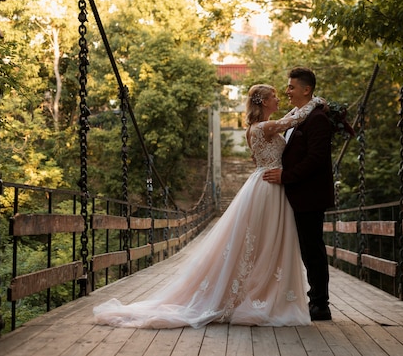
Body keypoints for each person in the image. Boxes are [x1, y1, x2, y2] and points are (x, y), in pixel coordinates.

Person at [93, 84, 325, 329]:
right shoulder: (266, 127)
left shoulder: (254, 129)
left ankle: (260, 291)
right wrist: (317, 101)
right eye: (274, 97)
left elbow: (283, 124)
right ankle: (259, 294)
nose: (279, 99)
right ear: (264, 102)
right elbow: (296, 117)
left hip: (264, 183)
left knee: (259, 242)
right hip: (270, 186)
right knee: (264, 241)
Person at [263, 67, 334, 321]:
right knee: (305, 248)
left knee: (312, 249)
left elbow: (316, 159)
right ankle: (309, 299)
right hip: (294, 195)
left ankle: (320, 305)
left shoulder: (317, 120)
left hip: (309, 195)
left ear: (307, 90)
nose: (287, 91)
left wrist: (286, 176)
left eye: (292, 87)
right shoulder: (297, 117)